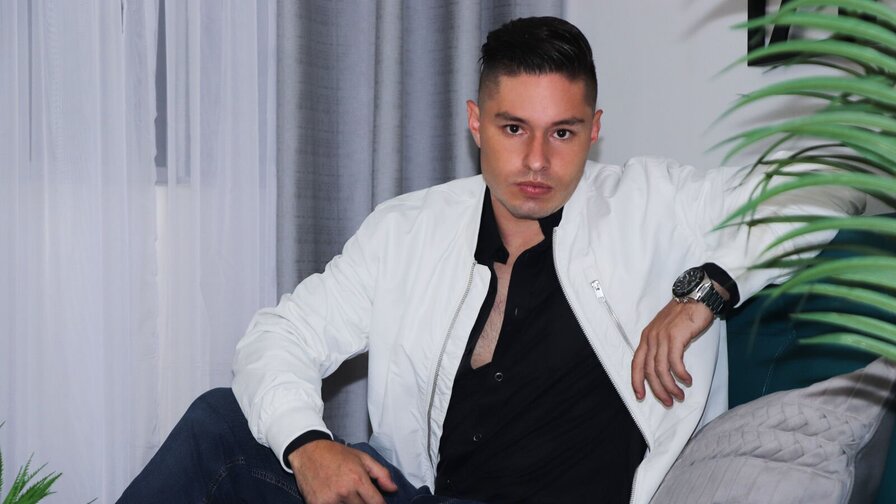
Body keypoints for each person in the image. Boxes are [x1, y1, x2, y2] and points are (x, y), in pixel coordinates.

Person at [119, 16, 861, 504]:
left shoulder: (653, 203)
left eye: (563, 132)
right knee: (221, 424)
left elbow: (835, 175)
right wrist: (307, 444)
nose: (537, 160)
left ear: (595, 129)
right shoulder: (411, 230)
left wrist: (708, 290)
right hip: (424, 495)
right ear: (476, 123)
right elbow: (279, 336)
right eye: (513, 128)